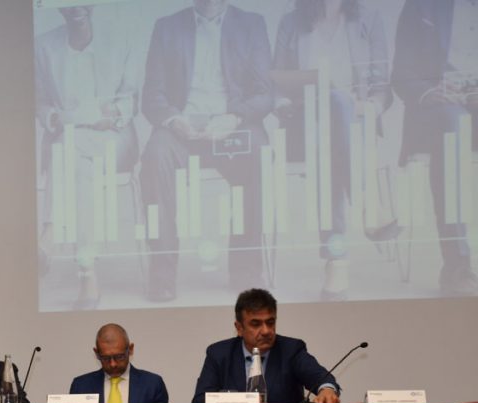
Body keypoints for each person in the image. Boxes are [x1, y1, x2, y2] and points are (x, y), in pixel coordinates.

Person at [140, 0, 274, 301]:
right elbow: (152, 94)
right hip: (182, 128)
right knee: (155, 156)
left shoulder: (251, 24)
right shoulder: (167, 27)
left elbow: (265, 92)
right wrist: (174, 119)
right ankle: (162, 274)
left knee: (259, 153)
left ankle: (246, 273)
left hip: (232, 125)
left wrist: (234, 117)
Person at [273, 0, 393, 300]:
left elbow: (382, 85)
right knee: (332, 111)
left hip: (357, 124)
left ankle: (335, 261)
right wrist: (283, 105)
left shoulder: (368, 19)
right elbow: (277, 83)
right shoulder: (291, 23)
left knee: (333, 131)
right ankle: (369, 206)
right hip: (305, 123)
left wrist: (370, 106)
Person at [35, 4, 141, 309]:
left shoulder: (121, 39)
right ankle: (87, 273)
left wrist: (93, 114)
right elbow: (41, 103)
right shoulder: (44, 46)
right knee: (78, 164)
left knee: (68, 148)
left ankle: (49, 235)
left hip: (115, 140)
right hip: (71, 145)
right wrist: (75, 116)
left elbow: (129, 102)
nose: (76, 6)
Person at [392, 0, 478, 296]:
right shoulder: (422, 6)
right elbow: (401, 74)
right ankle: (457, 266)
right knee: (453, 127)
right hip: (441, 108)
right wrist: (428, 91)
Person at [191, 288, 339, 403]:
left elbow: (322, 378)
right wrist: (242, 401)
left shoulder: (291, 350)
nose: (266, 331)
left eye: (270, 322)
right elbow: (199, 402)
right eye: (256, 324)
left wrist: (327, 389)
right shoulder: (219, 354)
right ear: (239, 328)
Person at [69, 323, 170, 403]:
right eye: (105, 358)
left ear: (130, 349)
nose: (113, 364)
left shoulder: (152, 384)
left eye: (119, 357)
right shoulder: (81, 387)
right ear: (96, 353)